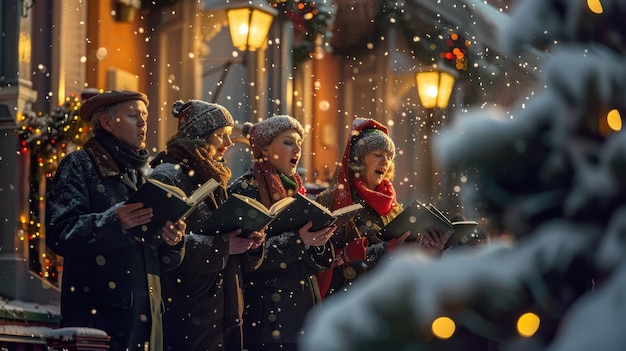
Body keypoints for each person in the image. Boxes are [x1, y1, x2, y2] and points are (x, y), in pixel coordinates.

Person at [46, 90, 187, 351]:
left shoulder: (141, 177)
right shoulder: (78, 165)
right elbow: (59, 233)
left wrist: (173, 242)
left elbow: (157, 258)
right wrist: (114, 221)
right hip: (102, 319)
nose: (144, 123)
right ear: (107, 123)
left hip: (147, 316)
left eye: (145, 116)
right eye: (134, 116)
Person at [148, 100, 265, 351]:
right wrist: (224, 246)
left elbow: (222, 236)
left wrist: (250, 242)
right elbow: (160, 244)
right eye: (221, 135)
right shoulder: (168, 175)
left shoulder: (212, 175)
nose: (229, 143)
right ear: (200, 136)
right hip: (188, 307)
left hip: (222, 307)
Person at [228, 115, 336, 351]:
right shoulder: (245, 189)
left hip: (303, 314)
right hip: (268, 317)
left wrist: (319, 240)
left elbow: (317, 259)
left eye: (299, 142)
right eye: (288, 142)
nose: (297, 148)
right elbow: (246, 257)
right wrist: (299, 241)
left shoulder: (296, 190)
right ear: (265, 148)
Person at [315, 117, 446, 297]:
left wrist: (429, 250)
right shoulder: (332, 201)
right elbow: (323, 261)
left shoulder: (394, 207)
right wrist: (387, 250)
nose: (385, 162)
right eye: (377, 155)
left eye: (388, 157)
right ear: (358, 160)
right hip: (350, 300)